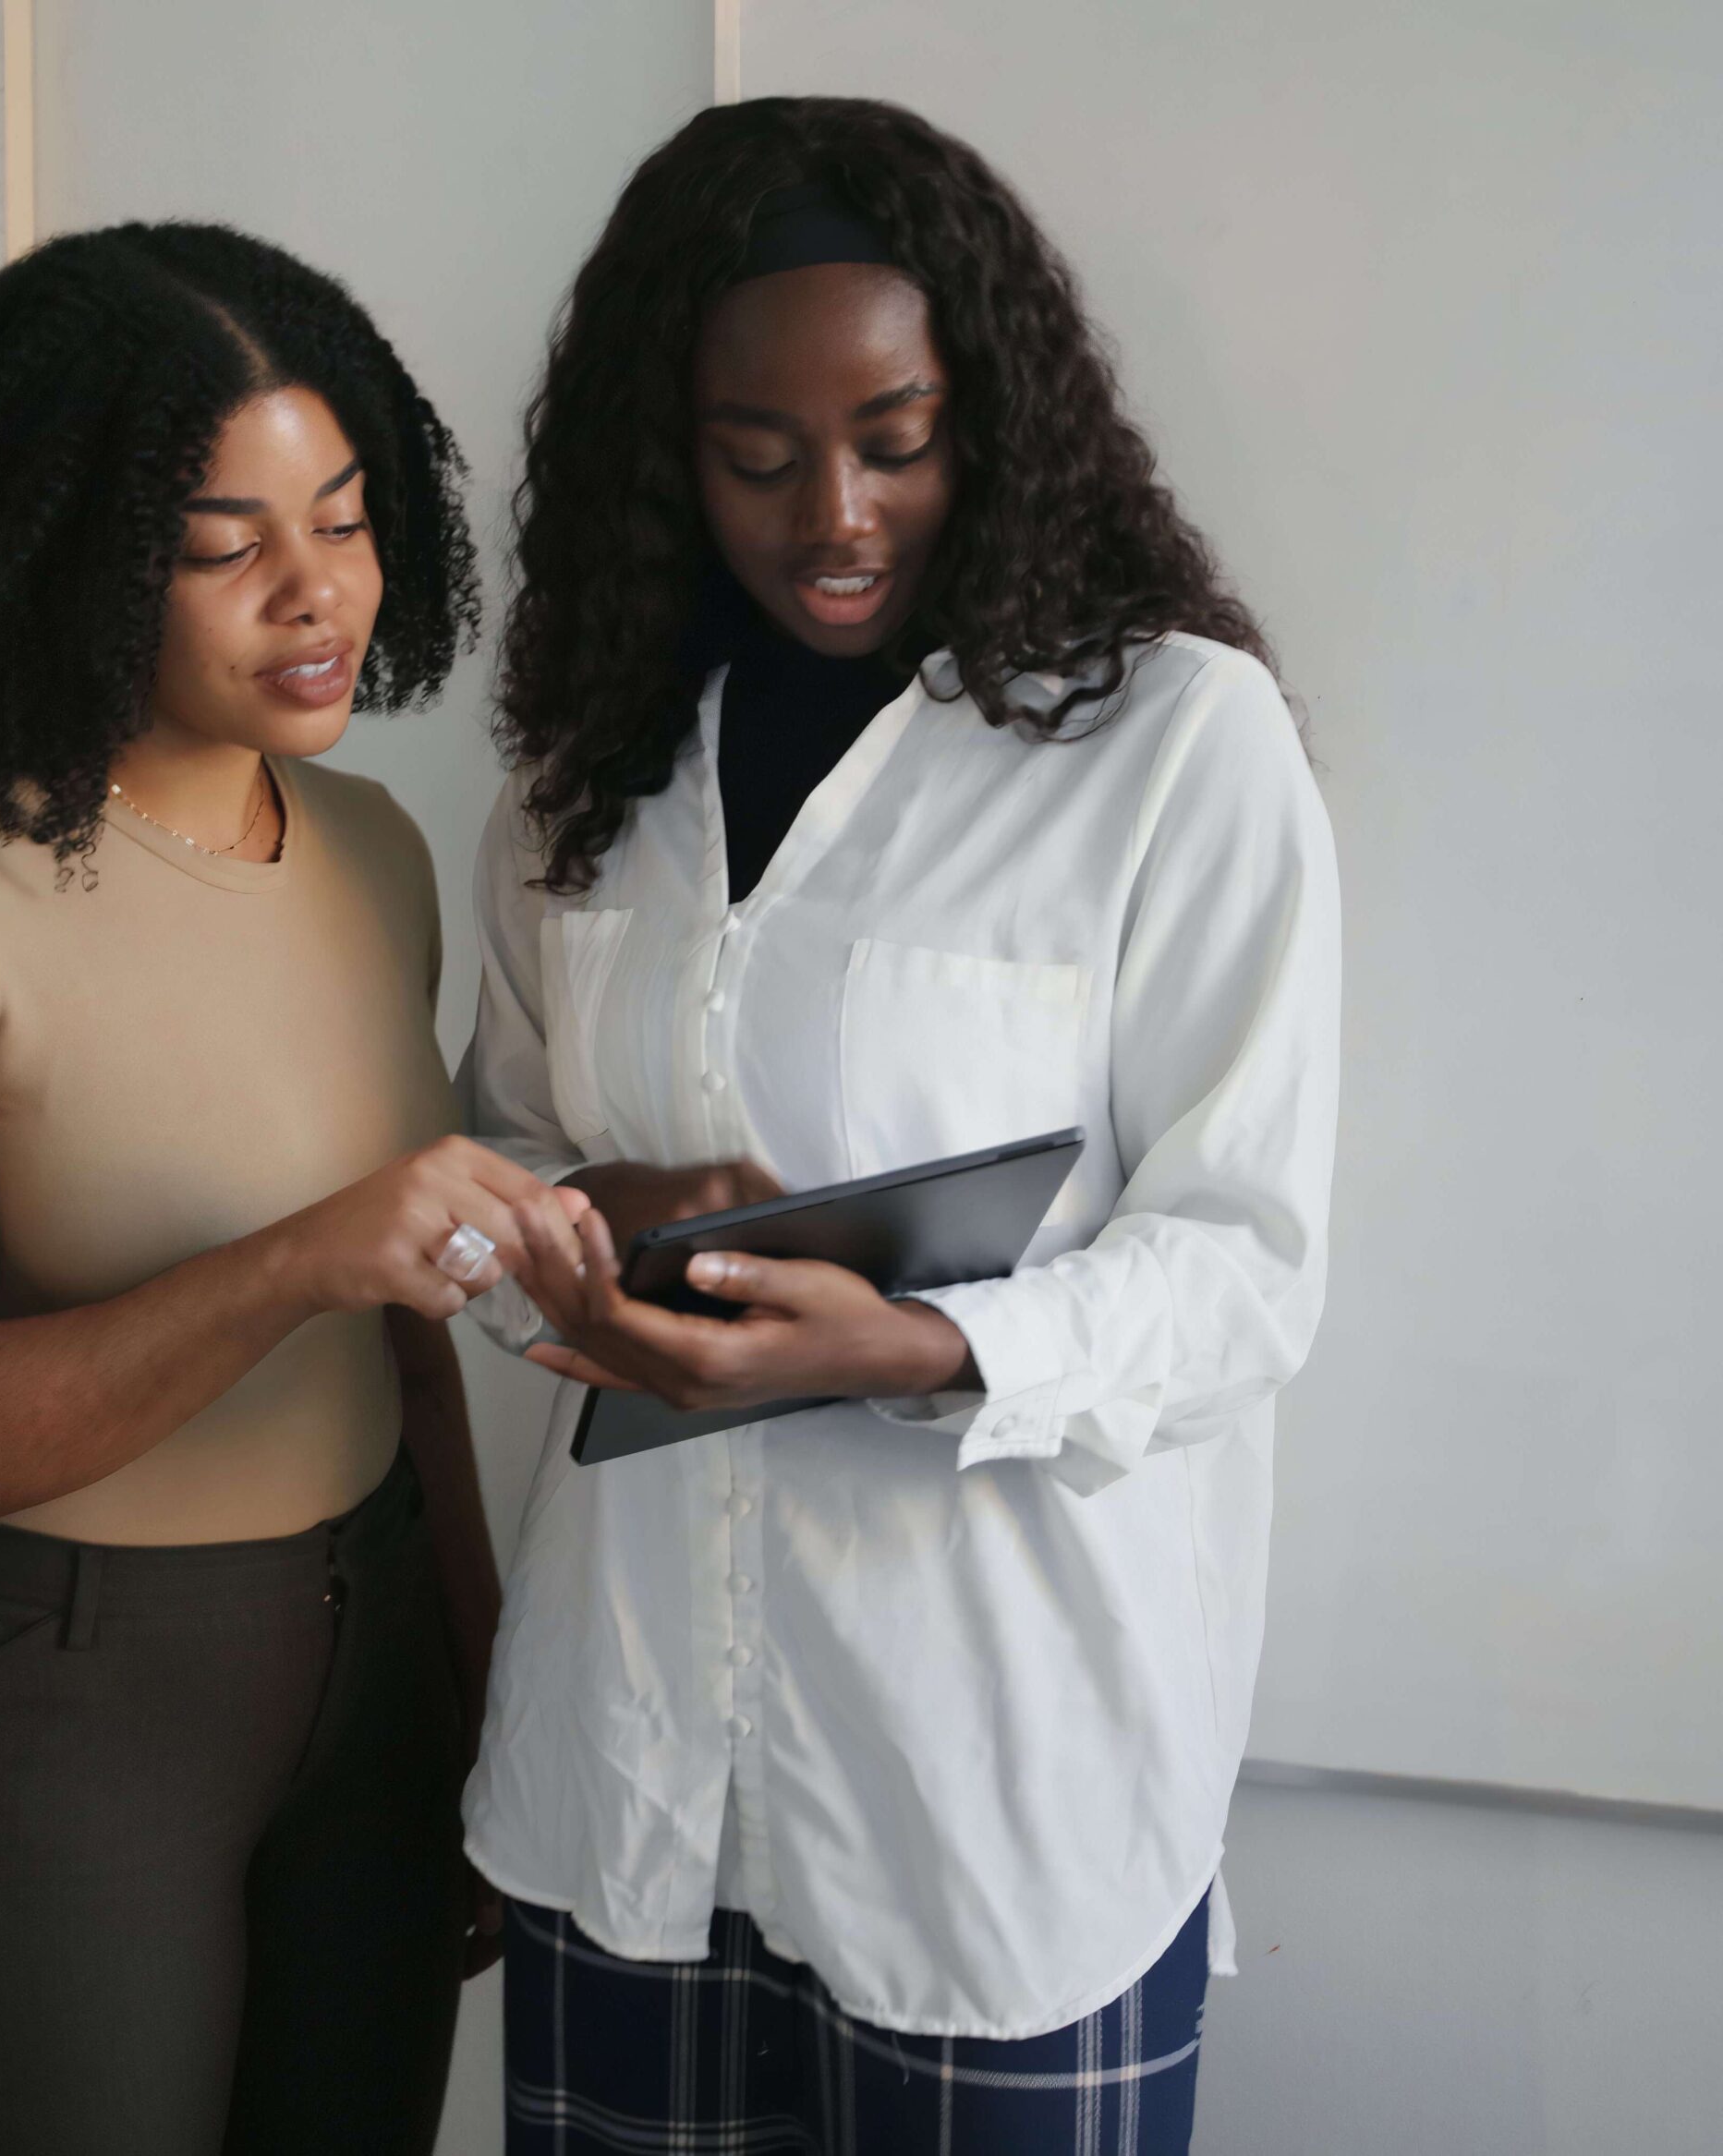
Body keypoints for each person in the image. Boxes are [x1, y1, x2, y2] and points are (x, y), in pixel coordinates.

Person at [460, 97, 1340, 2154]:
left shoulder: (1172, 745)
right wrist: (583, 1224)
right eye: (753, 457)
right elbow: (484, 1167)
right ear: (664, 454)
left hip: (995, 1802)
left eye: (895, 437)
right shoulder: (582, 773)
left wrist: (931, 1348)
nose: (831, 513)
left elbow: (1242, 1266)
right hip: (632, 1773)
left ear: (994, 421)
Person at [0, 221, 576, 2155]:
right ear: (59, 553)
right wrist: (293, 1260)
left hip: (367, 1663)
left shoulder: (364, 848)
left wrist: (467, 1678)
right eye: (225, 546)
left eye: (348, 520)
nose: (318, 594)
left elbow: (407, 1332)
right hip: (35, 1698)